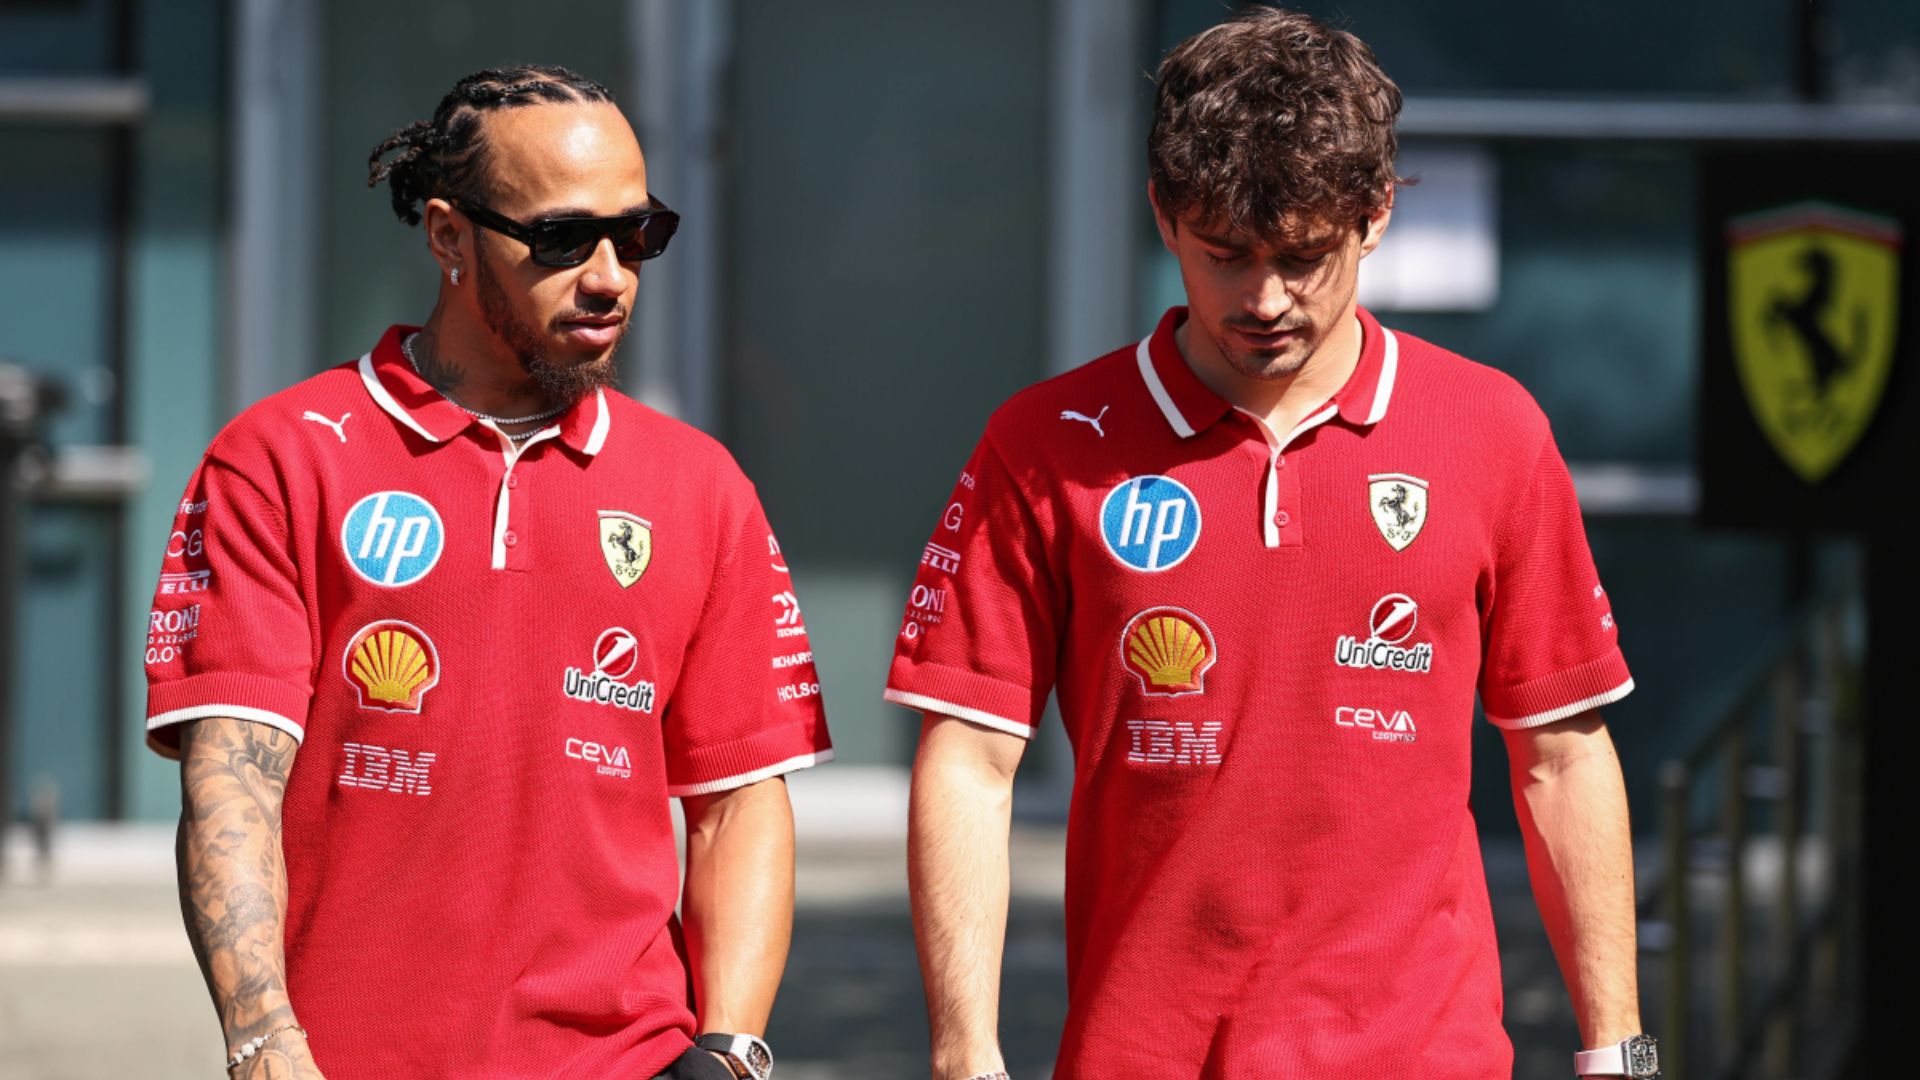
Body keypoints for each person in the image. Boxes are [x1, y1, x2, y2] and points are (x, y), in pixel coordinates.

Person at [887, 10, 1655, 1079]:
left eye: (1303, 256)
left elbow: (1562, 756)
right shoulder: (1047, 444)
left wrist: (1619, 1053)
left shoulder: (1491, 431)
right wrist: (964, 1051)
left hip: (1422, 1055)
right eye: (1225, 255)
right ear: (1162, 215)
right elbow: (969, 760)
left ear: (1376, 215)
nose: (1264, 299)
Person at [146, 66, 830, 1080]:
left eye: (637, 235)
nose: (610, 276)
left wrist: (729, 1047)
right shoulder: (282, 457)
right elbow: (232, 780)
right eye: (562, 239)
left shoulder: (700, 486)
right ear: (448, 237)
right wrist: (264, 1040)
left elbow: (736, 798)